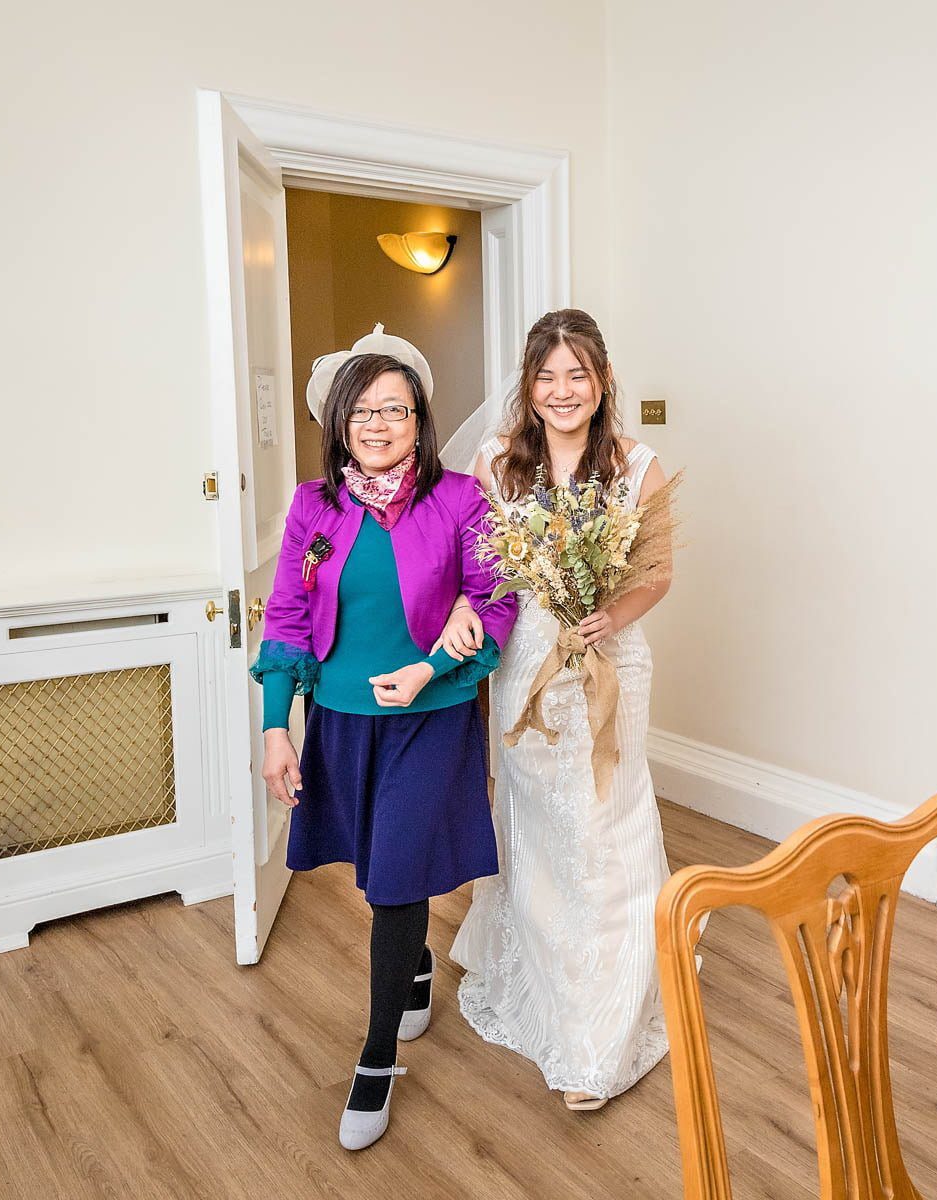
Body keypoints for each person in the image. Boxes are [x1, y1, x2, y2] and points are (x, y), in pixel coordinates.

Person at [250, 332, 515, 1151]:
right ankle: (419, 967)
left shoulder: (463, 499)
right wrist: (275, 727)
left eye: (394, 408)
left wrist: (430, 670)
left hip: (431, 719)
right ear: (338, 421)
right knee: (377, 873)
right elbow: (290, 621)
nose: (378, 422)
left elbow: (494, 605)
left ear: (419, 420)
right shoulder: (311, 507)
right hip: (341, 718)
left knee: (397, 876)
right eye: (362, 409)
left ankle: (373, 1062)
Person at [448, 309, 674, 1110]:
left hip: (611, 661)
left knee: (607, 819)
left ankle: (601, 1034)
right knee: (539, 821)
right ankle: (546, 976)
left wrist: (613, 615)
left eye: (578, 374)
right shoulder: (495, 465)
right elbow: (472, 569)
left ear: (602, 381)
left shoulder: (637, 467)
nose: (563, 390)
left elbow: (657, 574)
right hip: (527, 665)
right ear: (530, 386)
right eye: (548, 376)